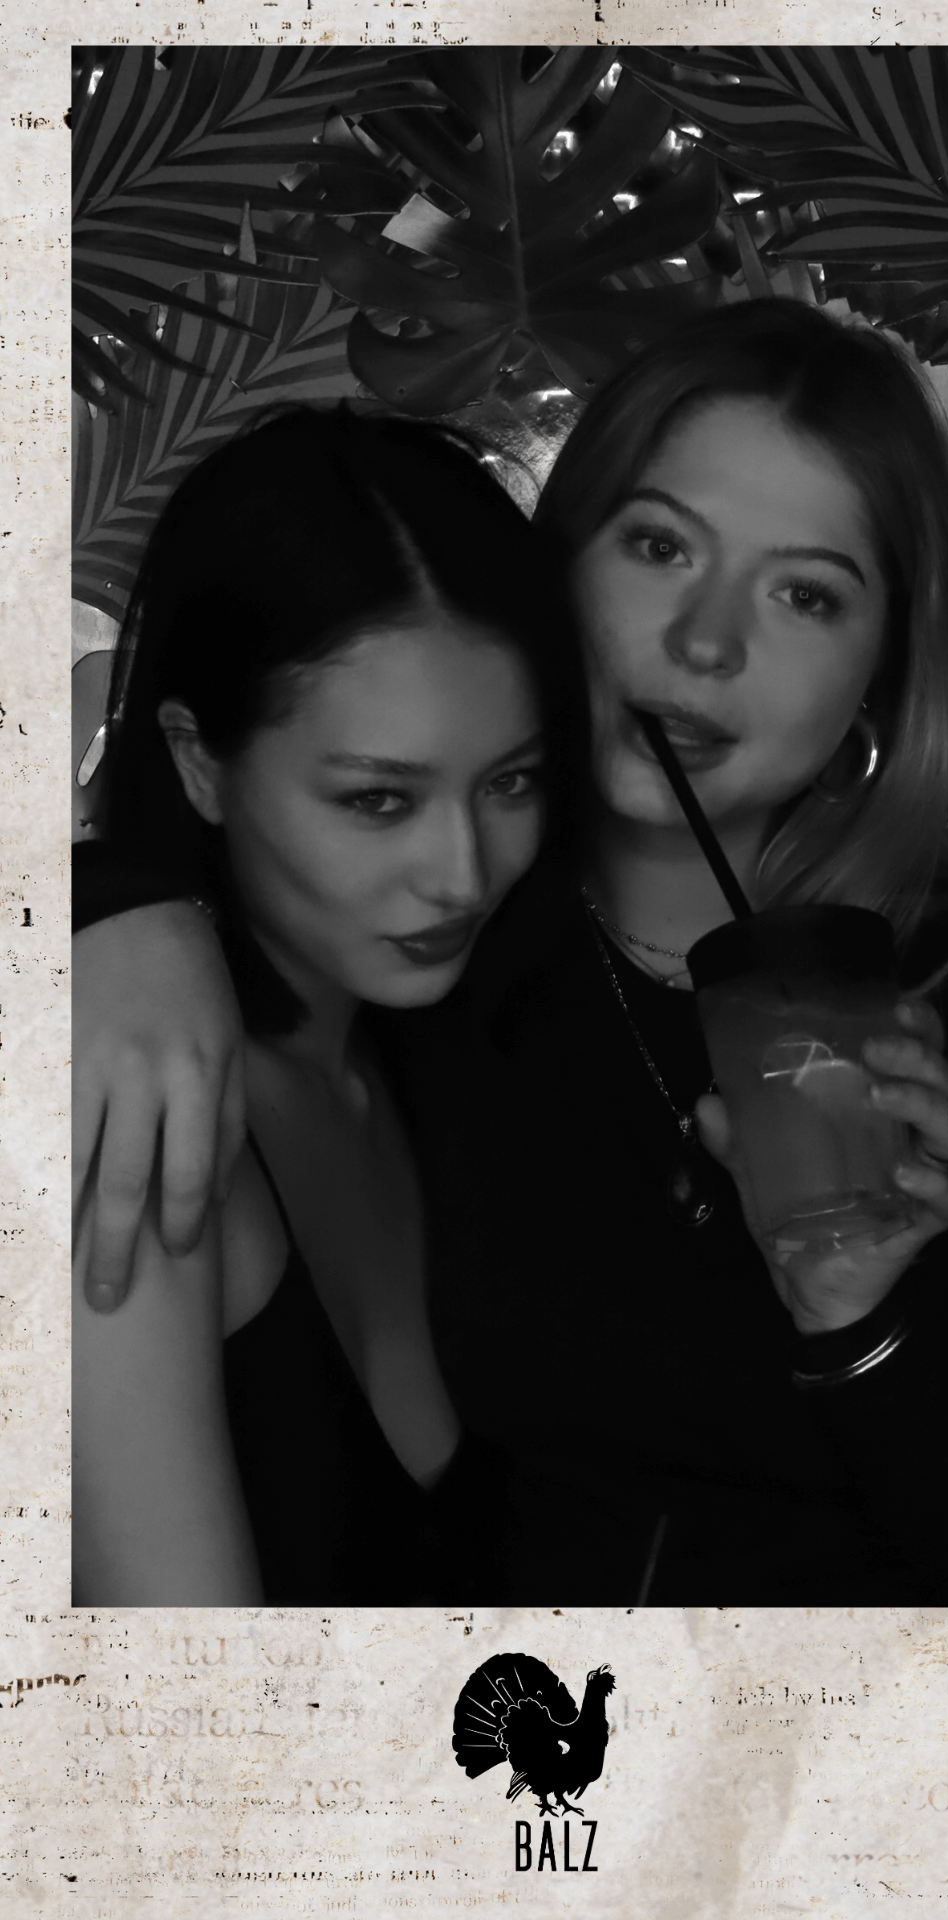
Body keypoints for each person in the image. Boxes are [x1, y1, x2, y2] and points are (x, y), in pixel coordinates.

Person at [73, 299, 948, 1604]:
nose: (706, 641)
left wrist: (862, 1324)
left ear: (885, 669)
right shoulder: (446, 956)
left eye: (806, 593)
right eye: (659, 545)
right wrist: (114, 913)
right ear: (556, 571)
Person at [72, 406, 590, 1605]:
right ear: (199, 762)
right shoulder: (132, 1123)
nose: (462, 874)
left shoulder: (457, 1056)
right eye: (377, 800)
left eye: (511, 781)